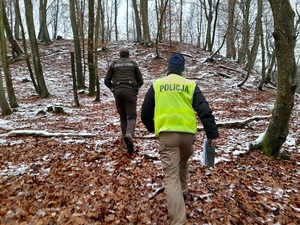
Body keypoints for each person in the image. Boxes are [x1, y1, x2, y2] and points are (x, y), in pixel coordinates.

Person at [141, 53, 219, 224]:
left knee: (170, 177)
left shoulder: (158, 84)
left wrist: (155, 130)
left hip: (168, 136)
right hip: (188, 136)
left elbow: (145, 113)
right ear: (182, 70)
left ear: (168, 68)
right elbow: (204, 110)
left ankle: (178, 220)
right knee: (183, 163)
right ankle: (183, 193)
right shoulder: (190, 85)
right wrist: (212, 134)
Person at [104, 48, 144, 153]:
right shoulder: (133, 64)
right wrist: (136, 88)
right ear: (128, 55)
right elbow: (141, 80)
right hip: (130, 90)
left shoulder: (114, 64)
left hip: (118, 91)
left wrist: (113, 89)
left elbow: (106, 80)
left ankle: (126, 143)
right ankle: (129, 134)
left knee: (122, 116)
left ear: (120, 55)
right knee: (132, 116)